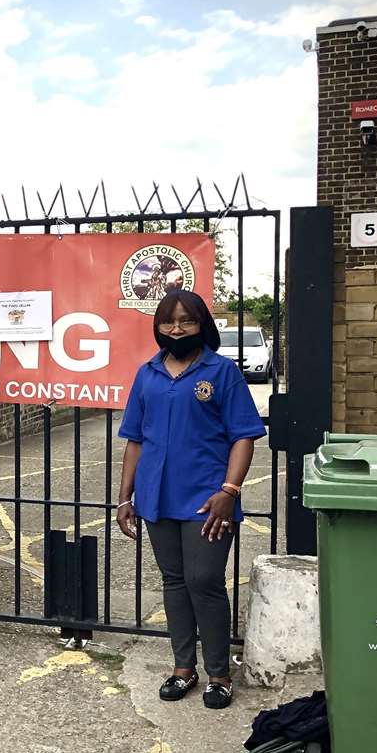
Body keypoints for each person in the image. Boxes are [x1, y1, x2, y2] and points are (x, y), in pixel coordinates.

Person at [115, 289, 265, 711]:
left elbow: (244, 436)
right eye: (168, 321)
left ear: (202, 324)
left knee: (204, 581)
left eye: (186, 320)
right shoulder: (148, 373)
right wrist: (125, 498)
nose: (176, 328)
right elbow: (135, 441)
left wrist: (229, 491)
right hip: (157, 498)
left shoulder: (221, 372)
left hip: (207, 499)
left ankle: (218, 674)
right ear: (158, 326)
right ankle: (184, 668)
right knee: (174, 582)